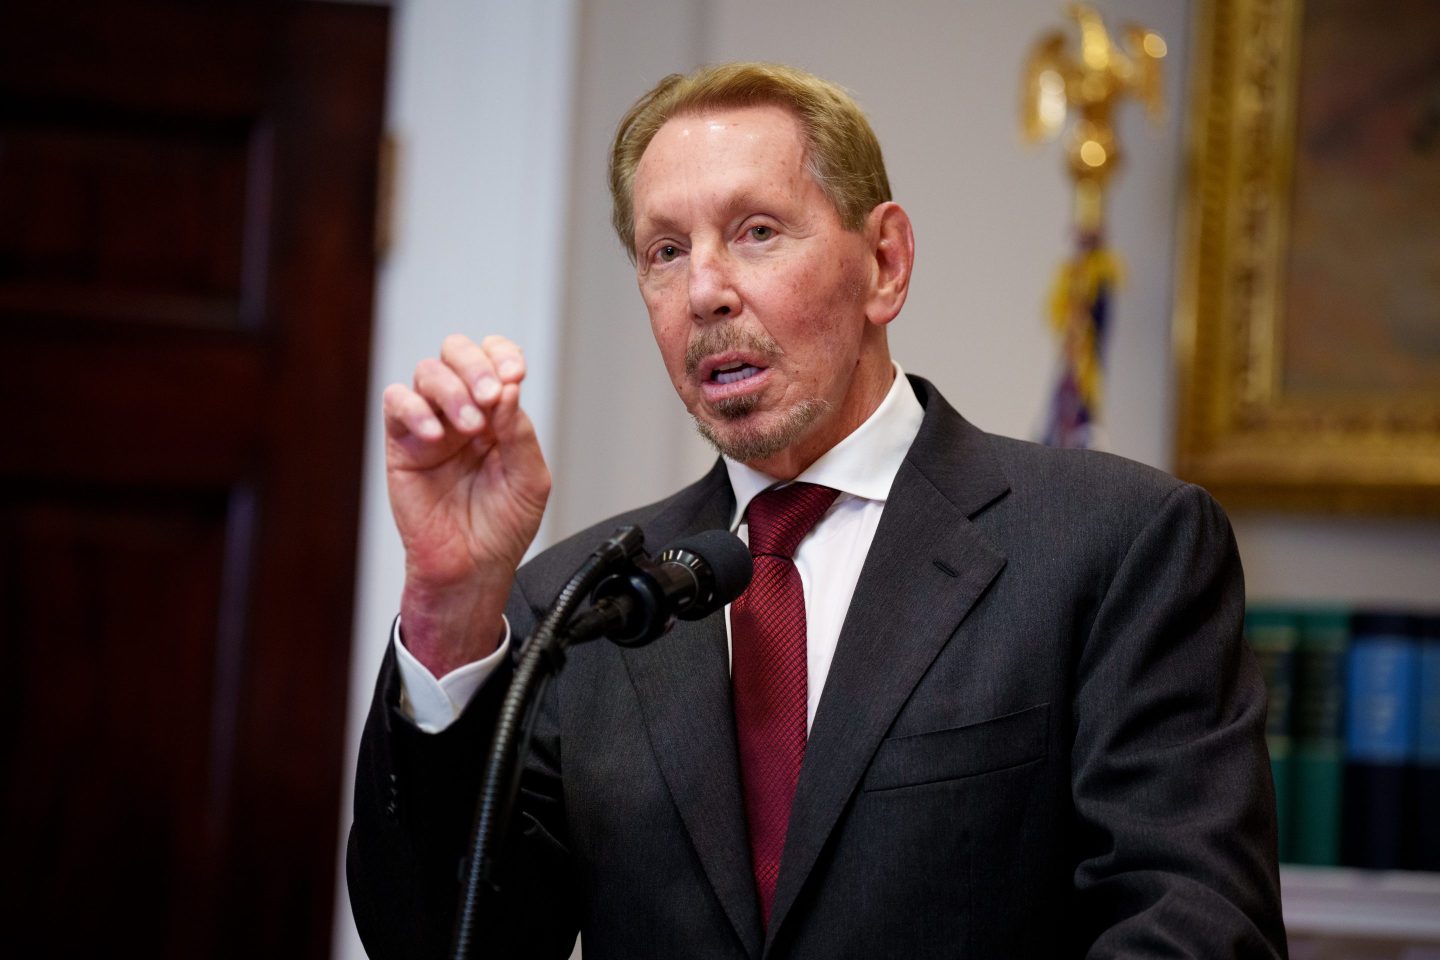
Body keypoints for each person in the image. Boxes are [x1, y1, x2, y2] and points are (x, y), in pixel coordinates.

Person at [347, 62, 1287, 959]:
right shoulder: (579, 607)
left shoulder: (1114, 545)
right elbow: (443, 944)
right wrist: (448, 611)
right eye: (665, 252)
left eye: (756, 231)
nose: (705, 291)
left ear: (884, 263)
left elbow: (1193, 924)